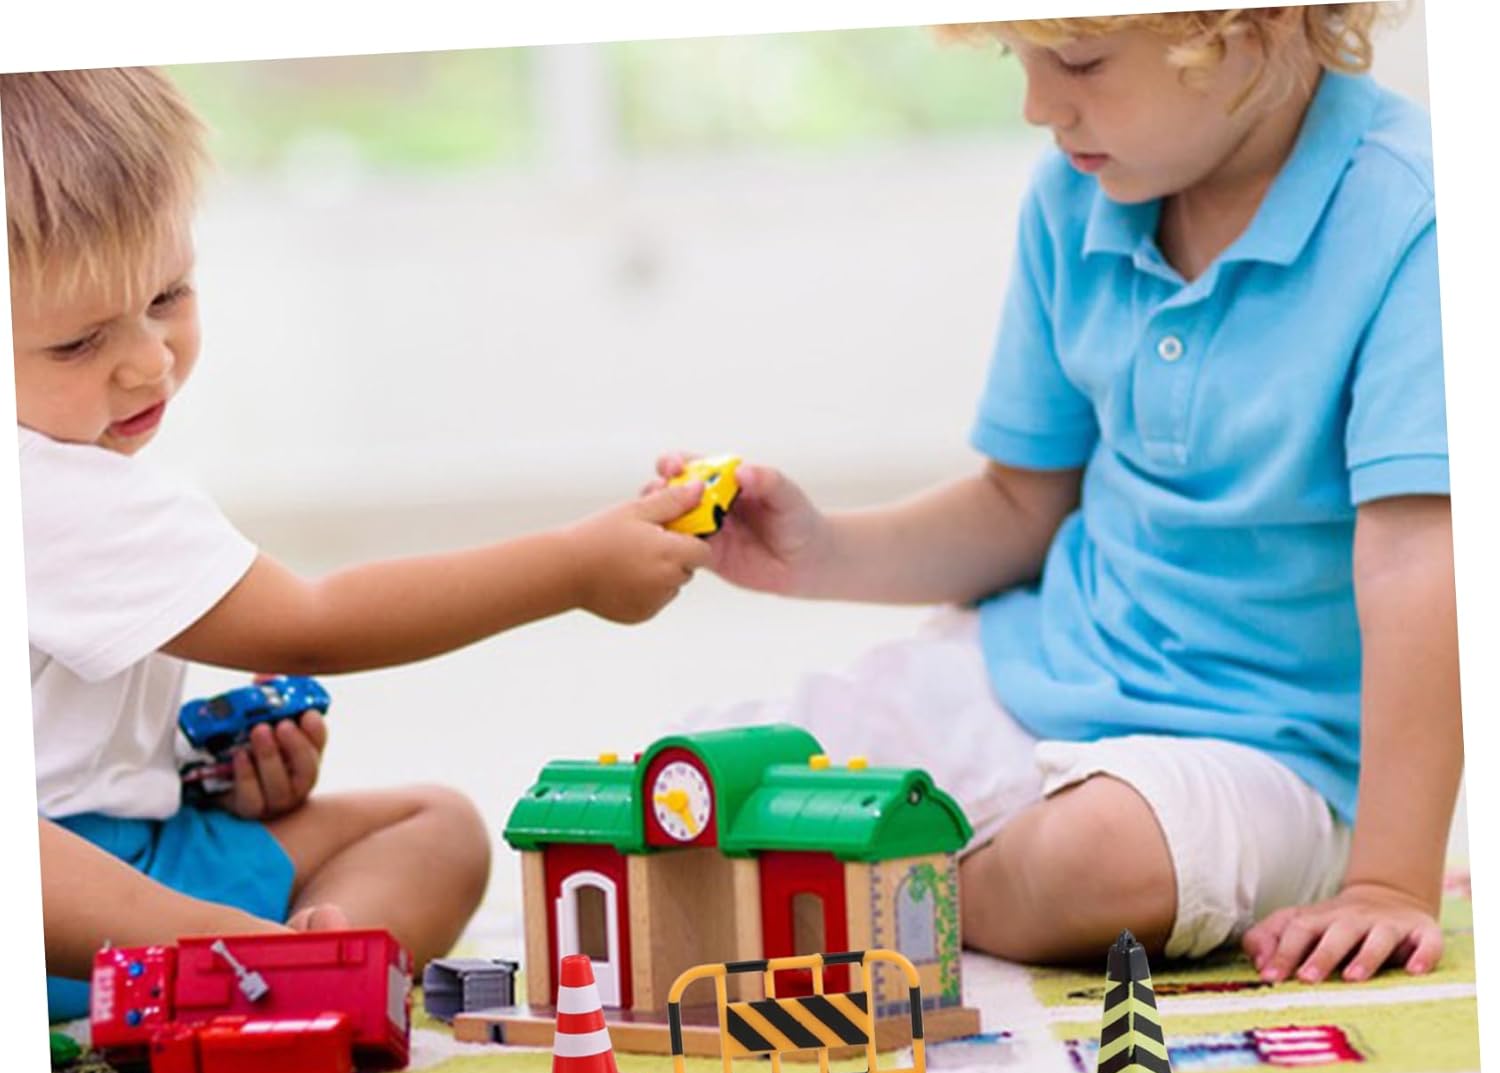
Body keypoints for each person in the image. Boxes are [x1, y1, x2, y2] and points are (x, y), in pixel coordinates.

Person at [658, 5, 1457, 985]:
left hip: (1264, 758)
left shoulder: (1417, 217)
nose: (1038, 107)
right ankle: (896, 870)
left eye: (1079, 63)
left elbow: (1420, 563)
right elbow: (1017, 508)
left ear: (1258, 25)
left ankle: (878, 888)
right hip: (1035, 672)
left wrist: (1387, 880)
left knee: (1101, 860)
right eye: (1019, 60)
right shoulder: (1077, 198)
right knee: (713, 776)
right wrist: (817, 553)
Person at [6, 69, 709, 1020]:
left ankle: (267, 977)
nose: (149, 360)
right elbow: (315, 624)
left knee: (434, 825)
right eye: (79, 343)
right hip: (70, 905)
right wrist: (575, 569)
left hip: (136, 855)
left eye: (169, 294)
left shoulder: (78, 467)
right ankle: (252, 968)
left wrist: (201, 778)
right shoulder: (46, 487)